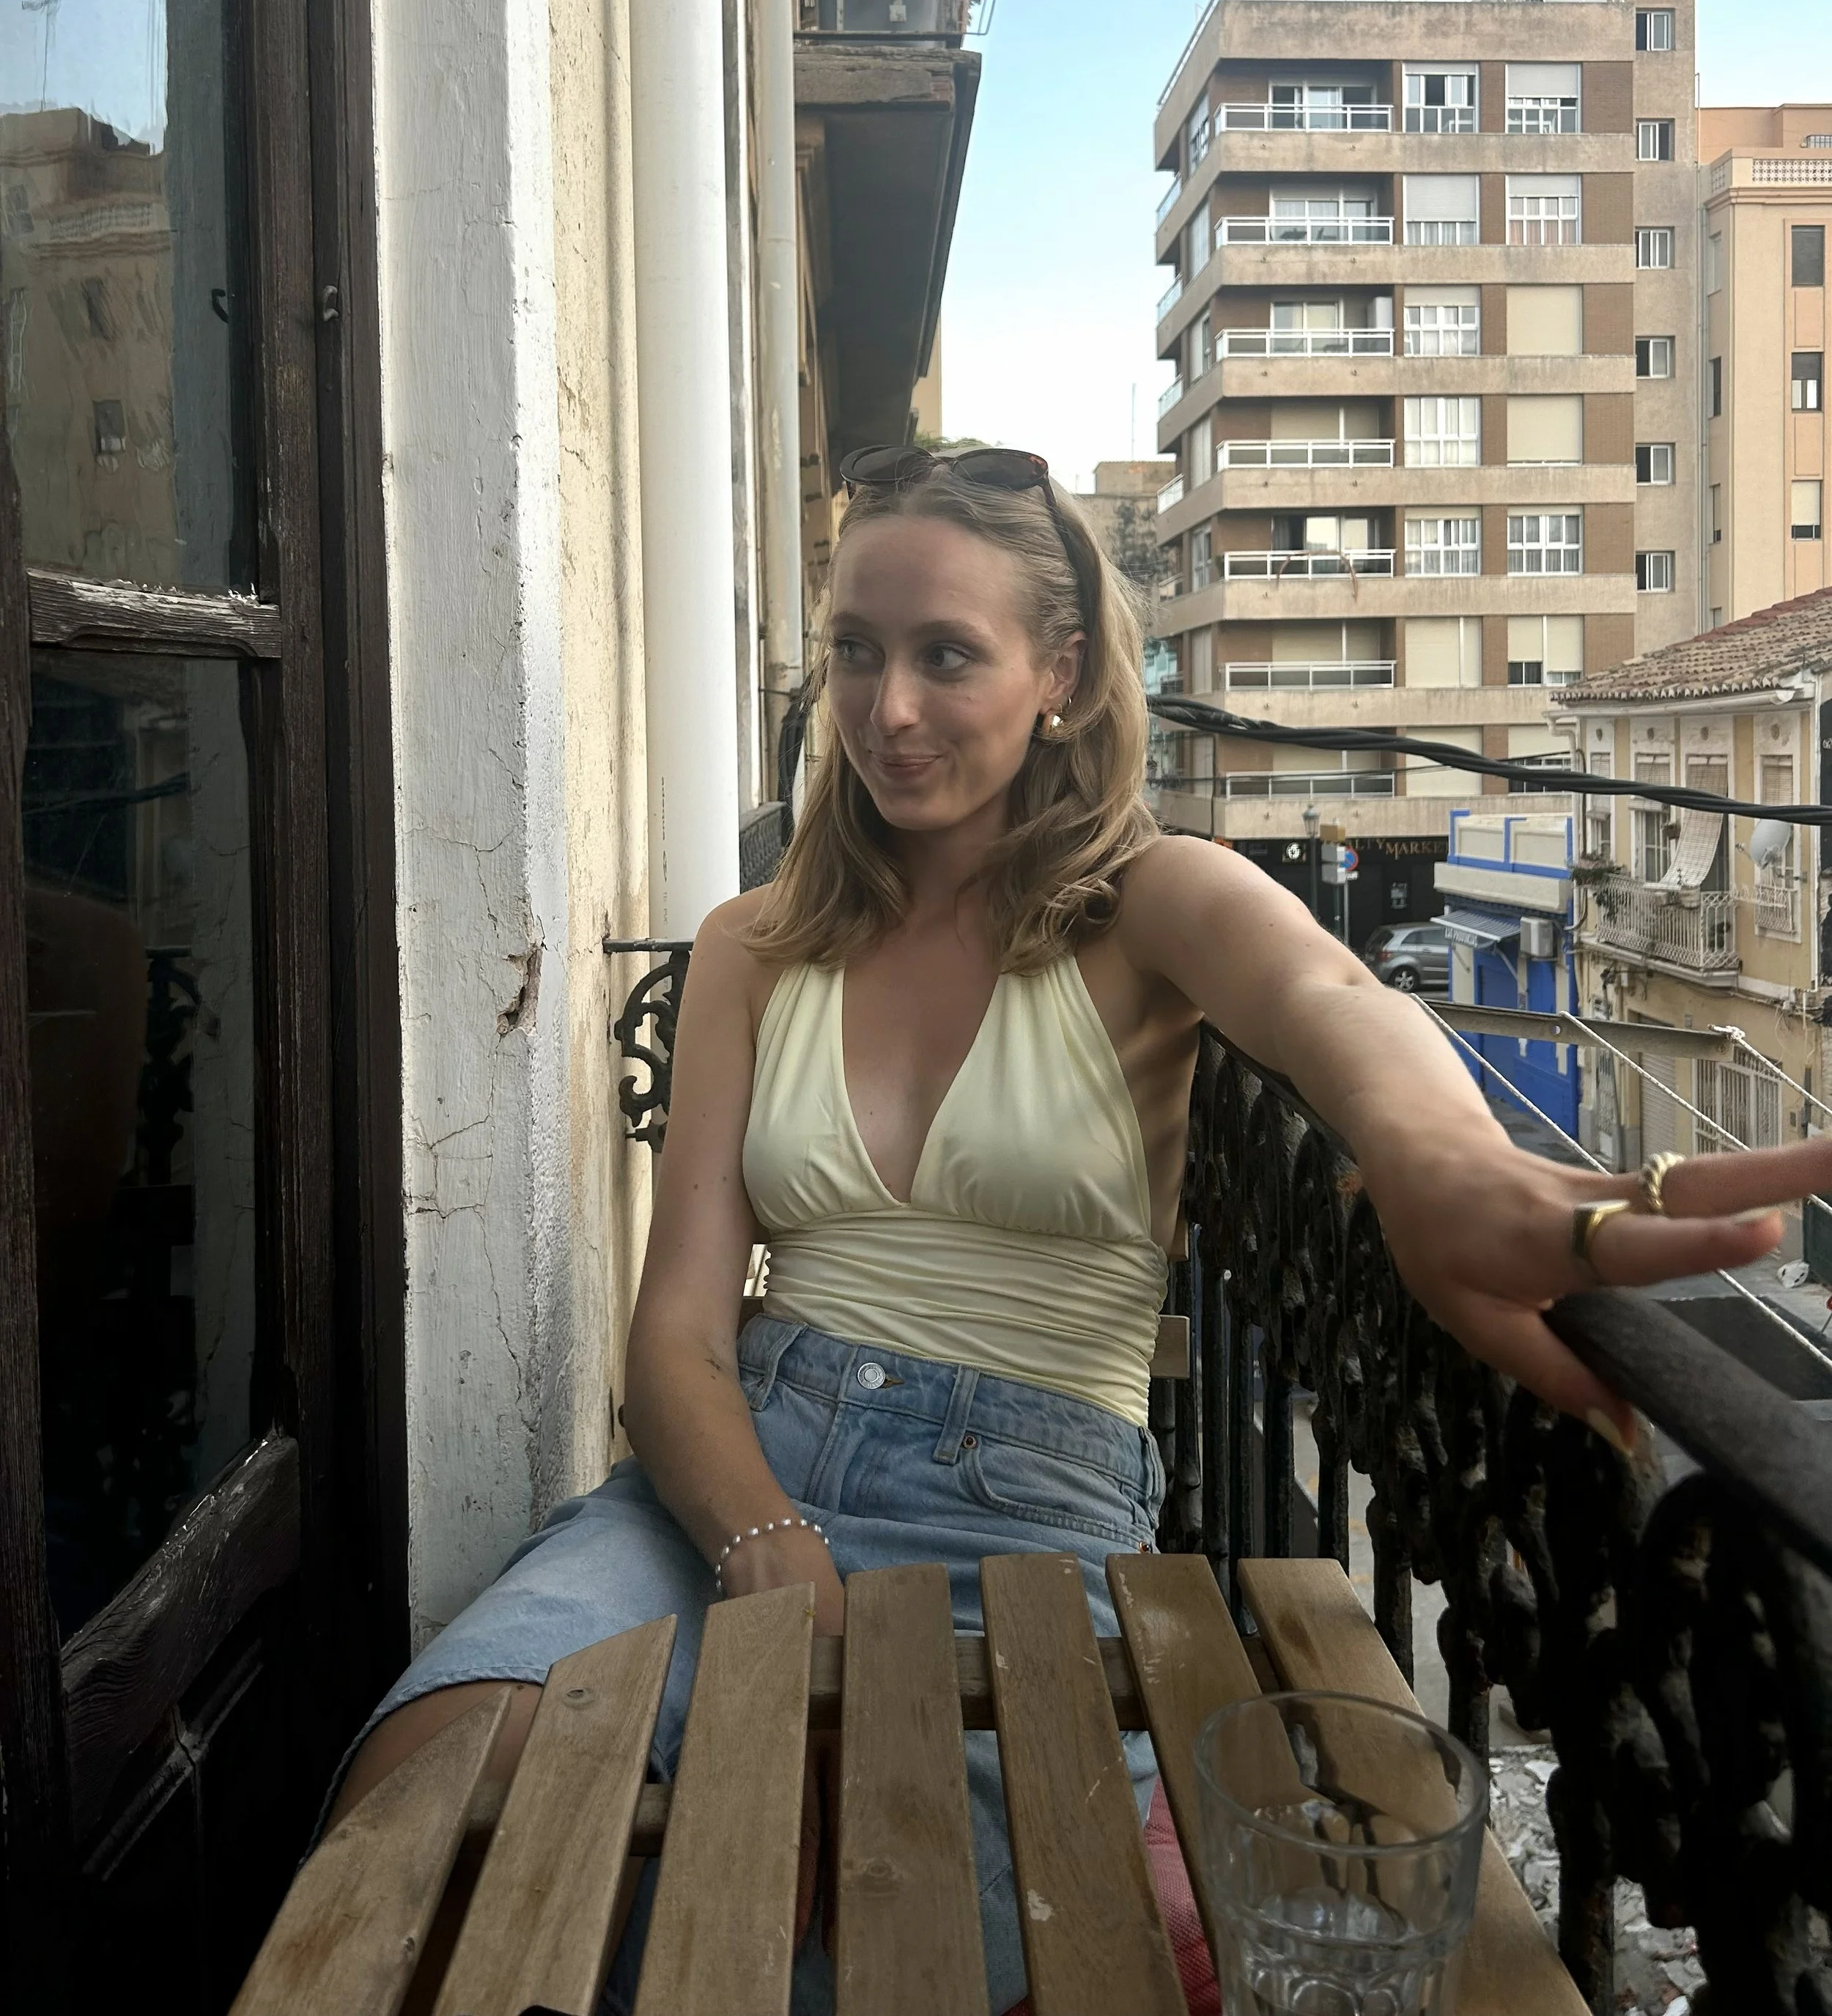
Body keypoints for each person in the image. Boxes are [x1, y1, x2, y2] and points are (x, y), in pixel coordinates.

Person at [326, 444, 1824, 2011]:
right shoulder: (752, 943)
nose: (885, 708)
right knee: (424, 1804)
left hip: (1015, 1512)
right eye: (854, 650)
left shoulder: (1148, 900)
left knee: (876, 1948)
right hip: (733, 1473)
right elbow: (680, 1334)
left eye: (944, 655)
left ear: (1055, 674)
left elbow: (1328, 996)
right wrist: (773, 1556)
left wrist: (1433, 1156)